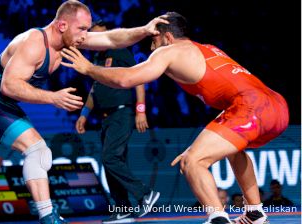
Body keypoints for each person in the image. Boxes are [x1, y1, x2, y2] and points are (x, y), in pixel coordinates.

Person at [0, 1, 168, 224]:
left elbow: (113, 38)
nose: (85, 36)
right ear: (62, 25)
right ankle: (48, 216)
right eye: (81, 29)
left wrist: (144, 30)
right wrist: (53, 97)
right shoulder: (34, 42)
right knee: (38, 150)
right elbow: (9, 85)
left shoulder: (70, 39)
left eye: (87, 29)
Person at [60, 11, 289, 224]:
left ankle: (218, 218)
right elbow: (237, 93)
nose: (151, 45)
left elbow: (127, 79)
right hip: (277, 107)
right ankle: (255, 211)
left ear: (167, 37)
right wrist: (200, 144)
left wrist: (89, 69)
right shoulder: (207, 48)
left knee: (193, 162)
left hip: (251, 107)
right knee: (231, 151)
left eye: (154, 39)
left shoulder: (168, 51)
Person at [76, 20, 159, 224]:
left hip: (122, 113)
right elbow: (95, 89)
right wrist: (84, 114)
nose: (94, 40)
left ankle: (145, 194)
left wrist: (141, 111)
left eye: (98, 35)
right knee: (112, 161)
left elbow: (138, 78)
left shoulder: (121, 51)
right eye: (92, 36)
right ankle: (122, 209)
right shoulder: (96, 57)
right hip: (106, 117)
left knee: (110, 158)